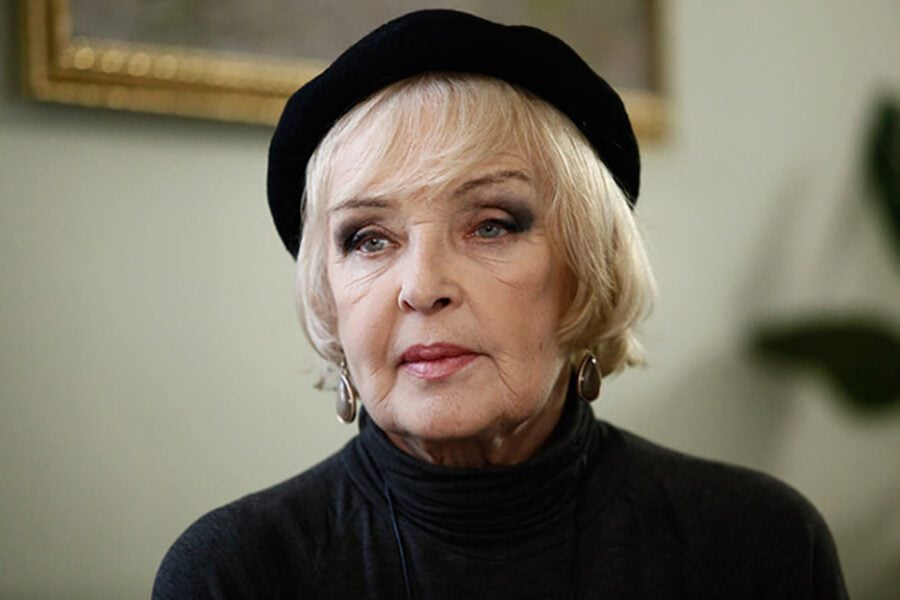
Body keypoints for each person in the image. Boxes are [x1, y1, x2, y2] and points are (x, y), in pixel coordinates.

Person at [153, 9, 848, 599]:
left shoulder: (759, 545)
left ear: (587, 267)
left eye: (491, 226)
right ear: (329, 294)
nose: (422, 286)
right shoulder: (234, 572)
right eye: (370, 239)